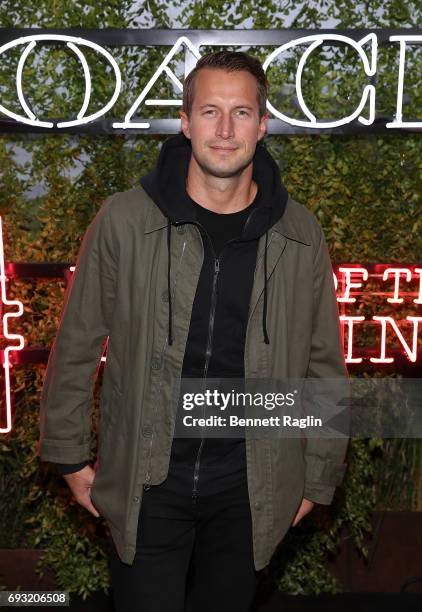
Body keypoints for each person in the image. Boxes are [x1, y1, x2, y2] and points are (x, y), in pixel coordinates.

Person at [37, 51, 349, 612]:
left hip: (251, 488)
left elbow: (323, 363)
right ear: (184, 121)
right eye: (209, 111)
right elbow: (77, 343)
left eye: (241, 112)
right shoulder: (125, 220)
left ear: (264, 123)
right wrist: (69, 457)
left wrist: (317, 480)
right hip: (146, 482)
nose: (225, 130)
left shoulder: (300, 232)